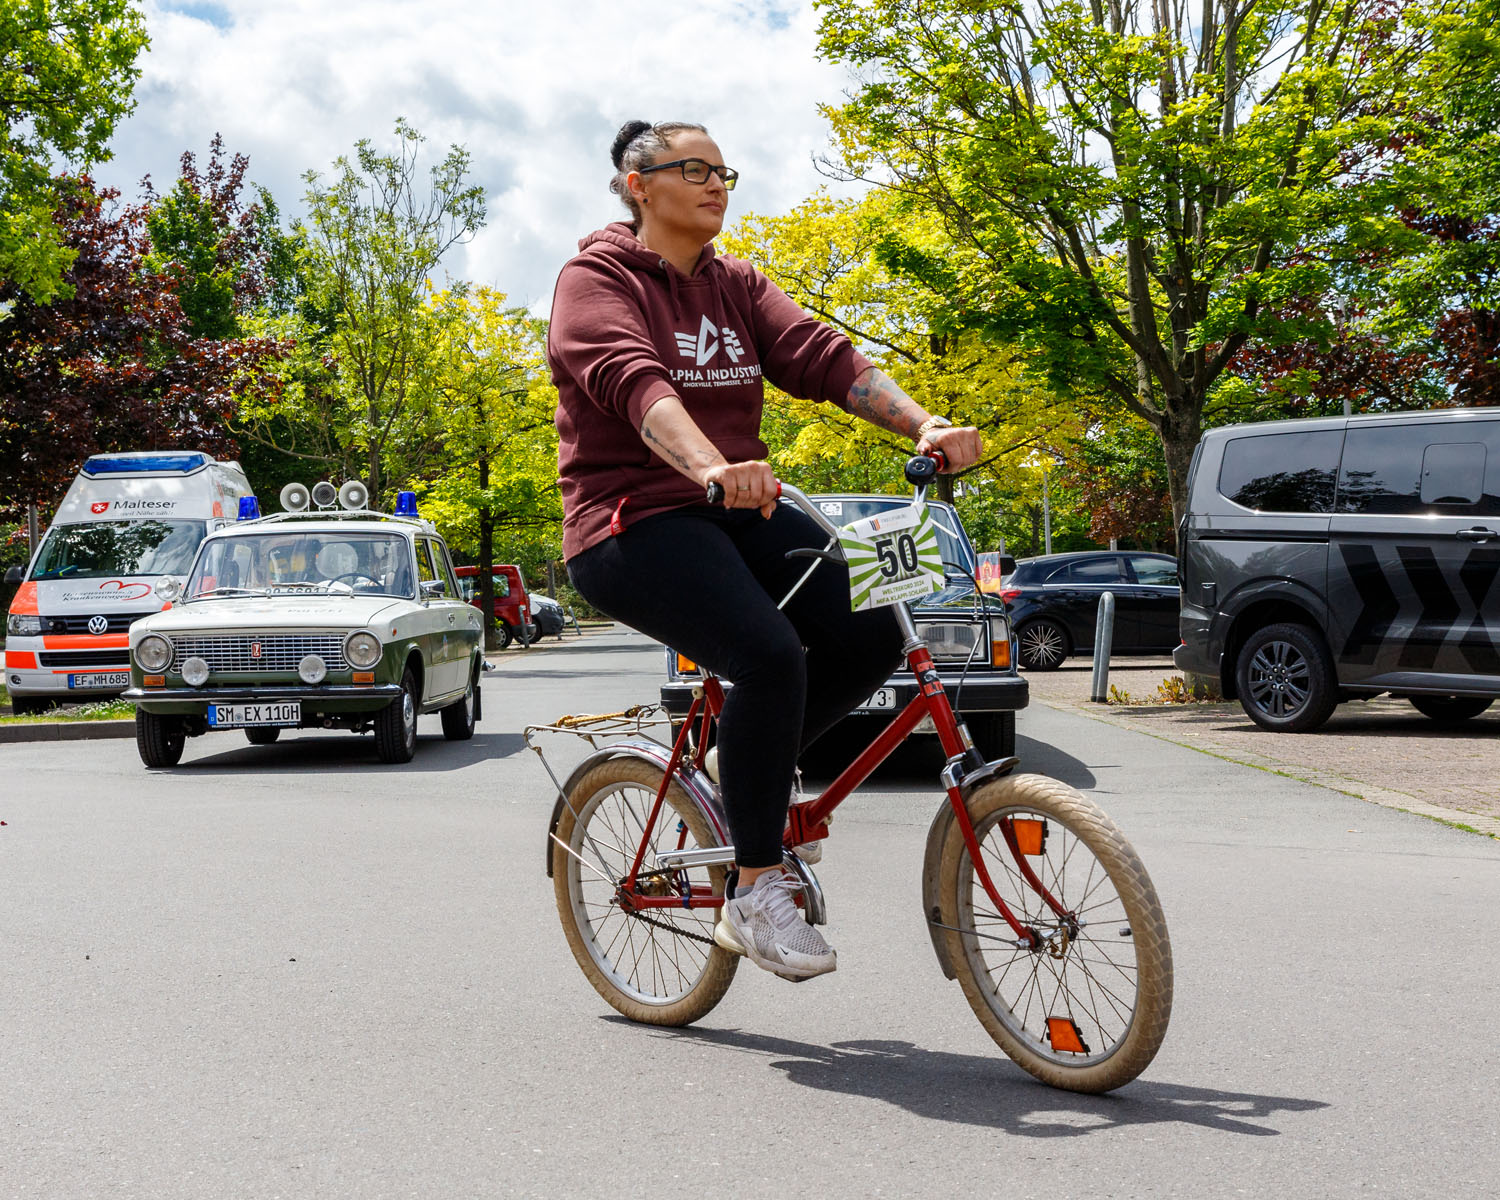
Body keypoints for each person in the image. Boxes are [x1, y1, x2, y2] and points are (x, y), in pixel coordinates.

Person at [548, 119, 982, 982]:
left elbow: (822, 357)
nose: (716, 184)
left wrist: (923, 420)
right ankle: (753, 887)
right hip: (631, 520)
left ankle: (738, 766)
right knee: (769, 654)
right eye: (694, 169)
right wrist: (712, 465)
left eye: (724, 171)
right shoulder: (594, 280)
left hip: (735, 505)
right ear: (638, 184)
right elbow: (635, 384)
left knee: (868, 633)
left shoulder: (736, 285)